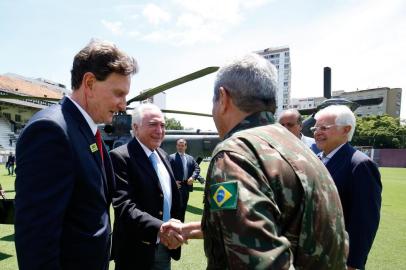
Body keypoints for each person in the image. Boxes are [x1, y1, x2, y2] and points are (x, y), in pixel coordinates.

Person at [164, 53, 348, 269]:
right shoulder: (299, 148)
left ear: (223, 99)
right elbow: (278, 225)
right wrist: (192, 229)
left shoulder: (236, 154)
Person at [14, 39, 138, 270]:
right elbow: (36, 238)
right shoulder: (51, 131)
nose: (123, 105)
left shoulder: (84, 130)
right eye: (119, 94)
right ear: (89, 83)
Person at [110, 103, 183, 270]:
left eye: (163, 125)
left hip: (165, 247)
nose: (160, 130)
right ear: (135, 127)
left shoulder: (164, 156)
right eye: (153, 124)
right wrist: (161, 228)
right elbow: (124, 207)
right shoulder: (121, 157)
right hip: (135, 251)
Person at [313, 105, 382, 270]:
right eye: (315, 127)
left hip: (337, 258)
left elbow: (364, 220)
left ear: (346, 129)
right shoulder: (314, 159)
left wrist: (353, 263)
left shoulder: (360, 165)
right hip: (312, 253)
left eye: (324, 128)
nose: (317, 132)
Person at [169, 138, 200, 222]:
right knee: (175, 208)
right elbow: (167, 171)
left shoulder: (190, 158)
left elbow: (197, 168)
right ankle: (173, 227)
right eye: (179, 145)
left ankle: (181, 226)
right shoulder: (171, 158)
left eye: (182, 146)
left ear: (185, 146)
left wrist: (193, 177)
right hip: (176, 186)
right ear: (176, 146)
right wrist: (173, 182)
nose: (180, 147)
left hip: (186, 186)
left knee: (183, 208)